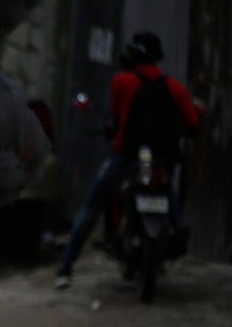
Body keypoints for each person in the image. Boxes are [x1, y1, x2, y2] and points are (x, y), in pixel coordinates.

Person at [54, 31, 199, 289]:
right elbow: (193, 123)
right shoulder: (175, 87)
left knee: (91, 207)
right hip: (160, 163)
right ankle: (179, 229)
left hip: (128, 158)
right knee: (169, 196)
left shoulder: (123, 81)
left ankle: (65, 267)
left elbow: (116, 116)